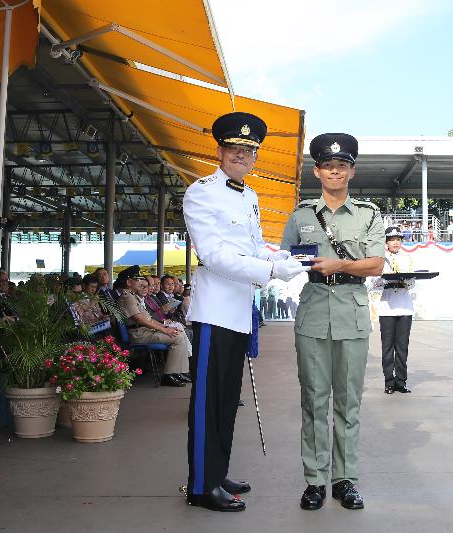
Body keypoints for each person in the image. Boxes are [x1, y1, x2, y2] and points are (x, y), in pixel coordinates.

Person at [183, 112, 308, 512]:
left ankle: (217, 472)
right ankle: (201, 486)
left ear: (255, 157)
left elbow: (253, 246)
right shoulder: (201, 192)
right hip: (214, 310)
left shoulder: (250, 196)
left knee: (226, 401)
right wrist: (271, 270)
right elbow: (214, 255)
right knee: (208, 403)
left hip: (240, 311)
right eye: (234, 148)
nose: (241, 155)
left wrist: (283, 256)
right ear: (220, 151)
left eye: (249, 151)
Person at [281, 133, 384, 511]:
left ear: (351, 171)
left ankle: (345, 480)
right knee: (313, 401)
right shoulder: (301, 216)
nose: (335, 171)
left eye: (341, 166)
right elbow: (286, 260)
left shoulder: (369, 215)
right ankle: (314, 480)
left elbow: (376, 264)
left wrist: (340, 264)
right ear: (317, 170)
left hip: (353, 314)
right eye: (328, 166)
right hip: (312, 315)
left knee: (348, 404)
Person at [116, 266, 190, 387]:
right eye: (137, 280)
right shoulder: (127, 297)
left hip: (144, 331)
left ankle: (177, 372)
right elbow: (139, 319)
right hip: (138, 333)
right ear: (129, 282)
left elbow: (148, 319)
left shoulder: (132, 296)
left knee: (179, 334)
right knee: (177, 337)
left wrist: (165, 327)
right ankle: (169, 375)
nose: (140, 283)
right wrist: (163, 330)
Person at [372, 226, 415, 394]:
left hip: (404, 306)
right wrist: (384, 280)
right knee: (388, 347)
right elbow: (373, 283)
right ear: (386, 243)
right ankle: (389, 382)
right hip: (387, 306)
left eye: (398, 239)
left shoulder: (408, 258)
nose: (395, 242)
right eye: (392, 240)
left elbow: (412, 283)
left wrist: (407, 280)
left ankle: (401, 382)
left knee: (402, 347)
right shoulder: (380, 260)